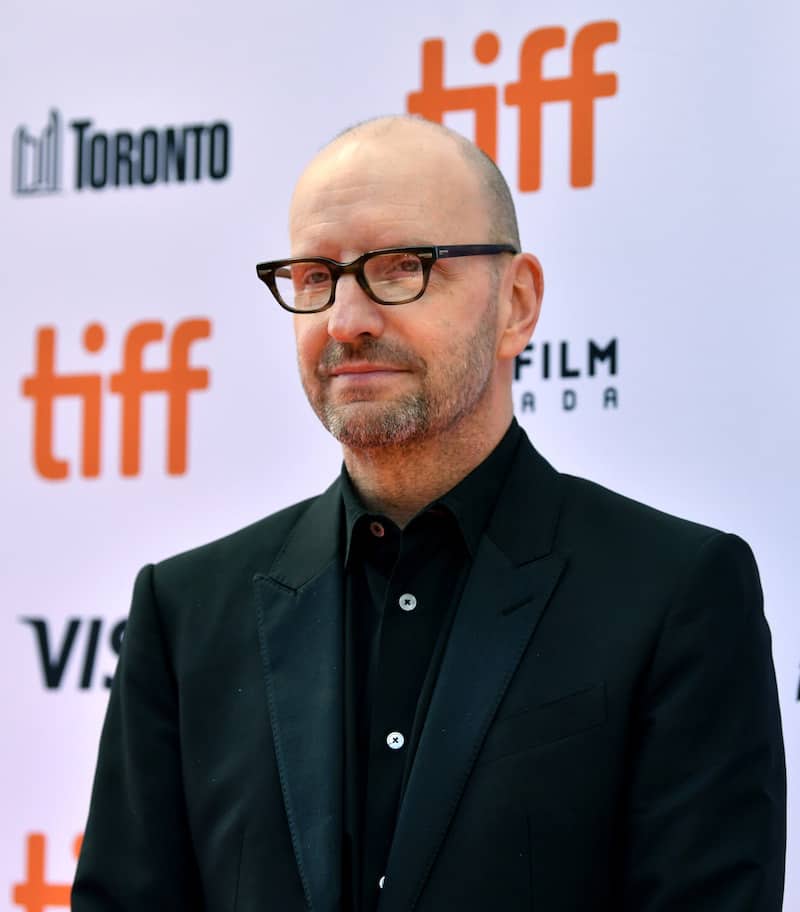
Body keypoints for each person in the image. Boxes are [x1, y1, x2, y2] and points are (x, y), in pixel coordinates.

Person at [72, 115, 786, 912]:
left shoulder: (675, 593)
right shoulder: (186, 612)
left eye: (402, 266)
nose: (347, 320)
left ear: (516, 304)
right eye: (314, 276)